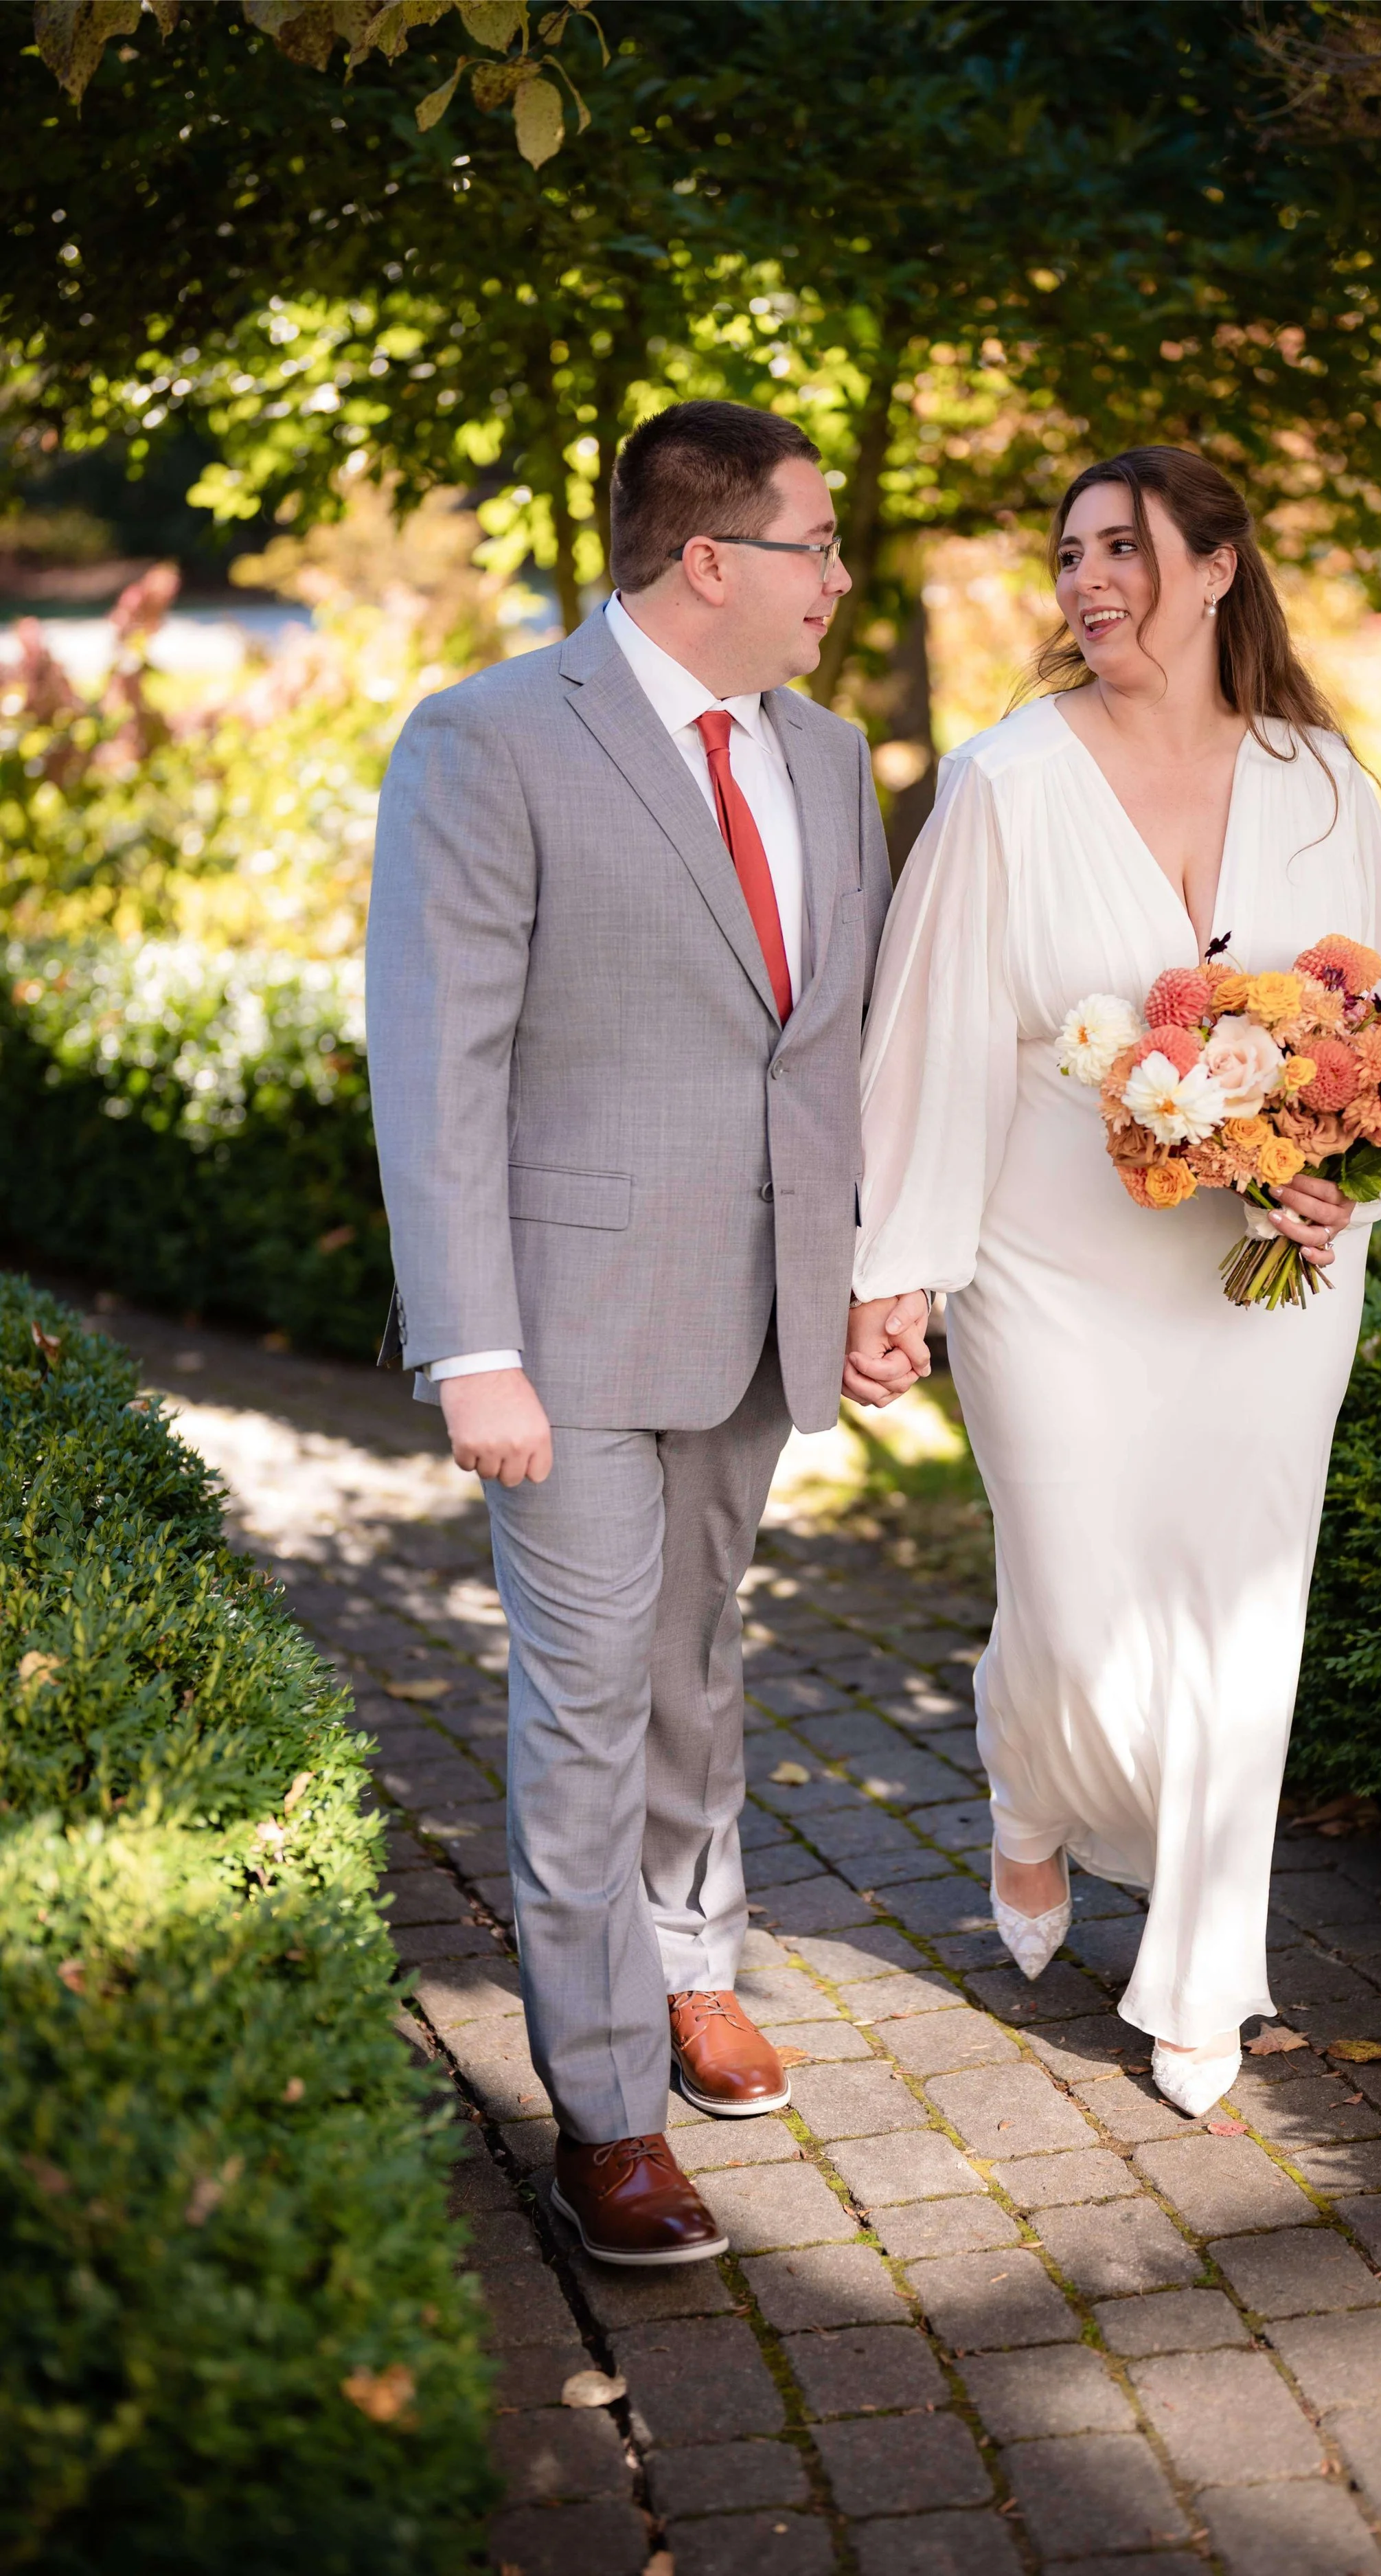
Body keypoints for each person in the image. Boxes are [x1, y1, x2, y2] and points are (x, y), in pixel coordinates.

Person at [367, 400, 924, 2262]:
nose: (839, 581)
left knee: (698, 1663)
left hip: (754, 1316)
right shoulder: (491, 739)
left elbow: (819, 1053)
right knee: (591, 1708)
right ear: (710, 560)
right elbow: (436, 1058)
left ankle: (693, 1960)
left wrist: (855, 1273)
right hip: (567, 1329)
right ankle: (603, 2109)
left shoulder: (830, 756)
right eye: (815, 546)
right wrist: (471, 1346)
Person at [845, 447, 1381, 2119]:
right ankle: (1030, 1782)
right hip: (1049, 1258)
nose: (1087, 580)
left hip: (1267, 1276)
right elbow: (932, 1038)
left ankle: (1201, 1970)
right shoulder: (1006, 780)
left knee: (1246, 1613)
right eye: (1069, 553)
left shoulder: (1327, 786)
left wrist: (1342, 1195)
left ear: (1219, 567)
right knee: (1081, 1603)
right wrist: (904, 1272)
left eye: (1123, 548)